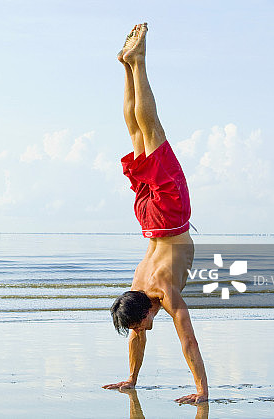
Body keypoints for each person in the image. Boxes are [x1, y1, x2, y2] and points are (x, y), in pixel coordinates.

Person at [102, 23, 208, 405]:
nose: (141, 329)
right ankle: (126, 67)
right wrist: (131, 378)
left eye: (139, 323)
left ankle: (138, 62)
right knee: (135, 134)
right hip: (147, 221)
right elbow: (137, 335)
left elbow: (188, 339)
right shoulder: (137, 288)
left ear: (144, 309)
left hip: (168, 216)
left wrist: (202, 390)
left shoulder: (161, 291)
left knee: (151, 130)